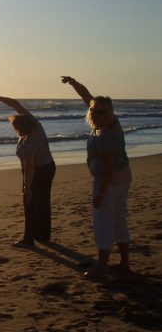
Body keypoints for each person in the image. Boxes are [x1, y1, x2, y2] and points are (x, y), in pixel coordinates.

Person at [61, 76, 133, 279]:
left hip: (110, 180)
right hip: (123, 175)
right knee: (119, 219)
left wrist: (100, 192)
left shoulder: (105, 135)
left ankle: (101, 267)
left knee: (103, 222)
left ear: (108, 113)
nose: (95, 114)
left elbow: (108, 169)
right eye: (93, 110)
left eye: (101, 112)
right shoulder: (109, 121)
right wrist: (74, 83)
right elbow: (88, 98)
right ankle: (124, 263)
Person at [0, 96, 56, 246]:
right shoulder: (35, 124)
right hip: (48, 166)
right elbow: (17, 105)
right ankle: (43, 235)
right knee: (43, 202)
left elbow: (29, 167)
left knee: (30, 202)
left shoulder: (29, 142)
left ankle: (29, 238)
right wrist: (0, 98)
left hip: (38, 170)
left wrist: (27, 188)